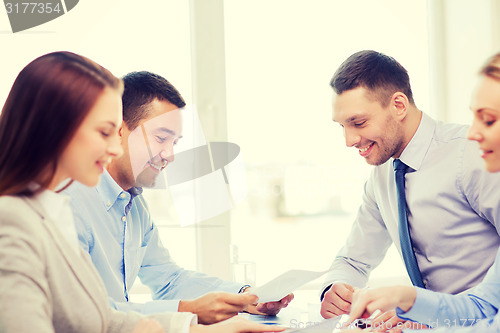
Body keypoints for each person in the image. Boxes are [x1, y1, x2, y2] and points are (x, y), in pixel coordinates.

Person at [0, 51, 284, 333]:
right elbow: (93, 315)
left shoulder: (121, 206)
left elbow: (116, 306)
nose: (113, 147)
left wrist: (244, 298)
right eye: (104, 131)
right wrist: (189, 317)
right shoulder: (33, 214)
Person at [63, 71, 293, 324]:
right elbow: (85, 312)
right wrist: (187, 310)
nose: (170, 155)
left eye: (175, 142)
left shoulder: (135, 205)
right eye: (161, 138)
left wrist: (245, 298)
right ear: (118, 130)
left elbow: (168, 279)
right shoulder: (69, 202)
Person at [319, 50, 500, 321]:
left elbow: (486, 304)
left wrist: (417, 311)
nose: (349, 140)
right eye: (342, 126)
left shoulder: (474, 154)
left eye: (358, 122)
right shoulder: (381, 176)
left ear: (399, 105)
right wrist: (332, 289)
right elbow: (354, 259)